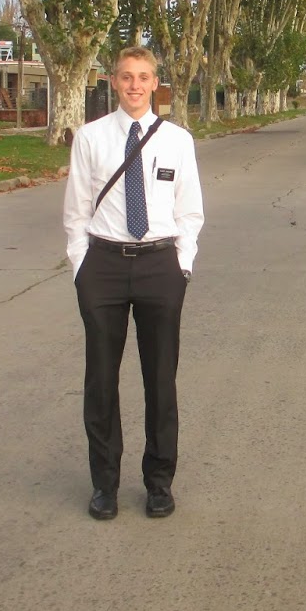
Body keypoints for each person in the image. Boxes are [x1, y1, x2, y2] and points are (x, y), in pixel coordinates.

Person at [62, 45, 204, 521]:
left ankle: (159, 483)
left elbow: (190, 211)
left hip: (160, 266)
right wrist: (81, 266)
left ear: (155, 83)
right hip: (102, 265)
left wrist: (182, 265)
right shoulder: (91, 137)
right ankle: (104, 485)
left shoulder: (178, 141)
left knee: (160, 380)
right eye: (126, 77)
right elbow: (76, 210)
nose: (135, 85)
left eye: (143, 77)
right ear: (113, 82)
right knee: (101, 382)